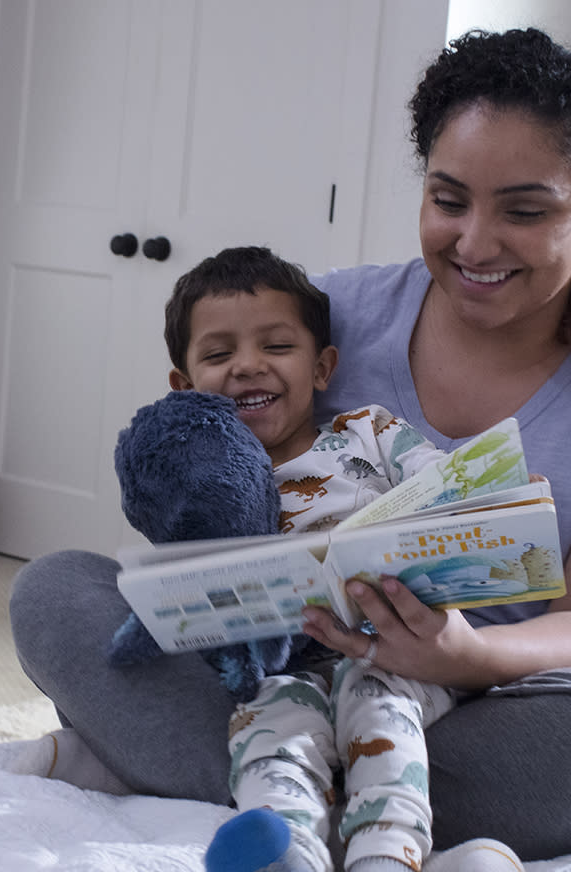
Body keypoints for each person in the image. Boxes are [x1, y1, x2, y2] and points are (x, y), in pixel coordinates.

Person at [9, 27, 571, 864]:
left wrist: (467, 652)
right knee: (56, 590)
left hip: (479, 697)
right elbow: (204, 471)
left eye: (524, 211)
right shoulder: (332, 313)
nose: (476, 244)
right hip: (279, 668)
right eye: (449, 200)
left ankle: (240, 789)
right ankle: (367, 812)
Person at [151, 245, 506, 872]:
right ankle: (286, 853)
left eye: (276, 347)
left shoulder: (369, 432)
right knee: (268, 731)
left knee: (376, 701)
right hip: (285, 662)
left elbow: (448, 492)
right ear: (185, 388)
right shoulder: (209, 486)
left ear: (322, 367)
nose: (247, 367)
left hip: (398, 652)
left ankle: (387, 854)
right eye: (217, 354)